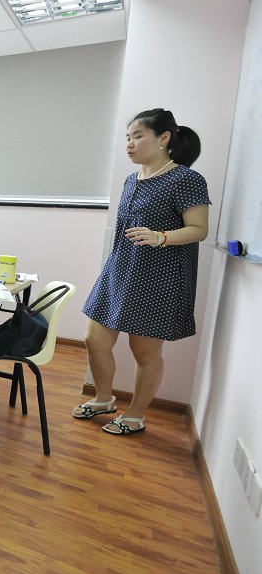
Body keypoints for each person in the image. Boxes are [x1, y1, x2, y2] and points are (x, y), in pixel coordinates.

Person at [76, 109, 210, 436]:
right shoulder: (130, 180)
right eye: (128, 137)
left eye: (138, 136)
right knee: (95, 339)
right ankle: (104, 399)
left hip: (160, 277)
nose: (130, 144)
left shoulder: (186, 179)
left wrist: (159, 237)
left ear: (163, 138)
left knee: (145, 352)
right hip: (120, 270)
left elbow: (199, 229)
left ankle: (135, 415)